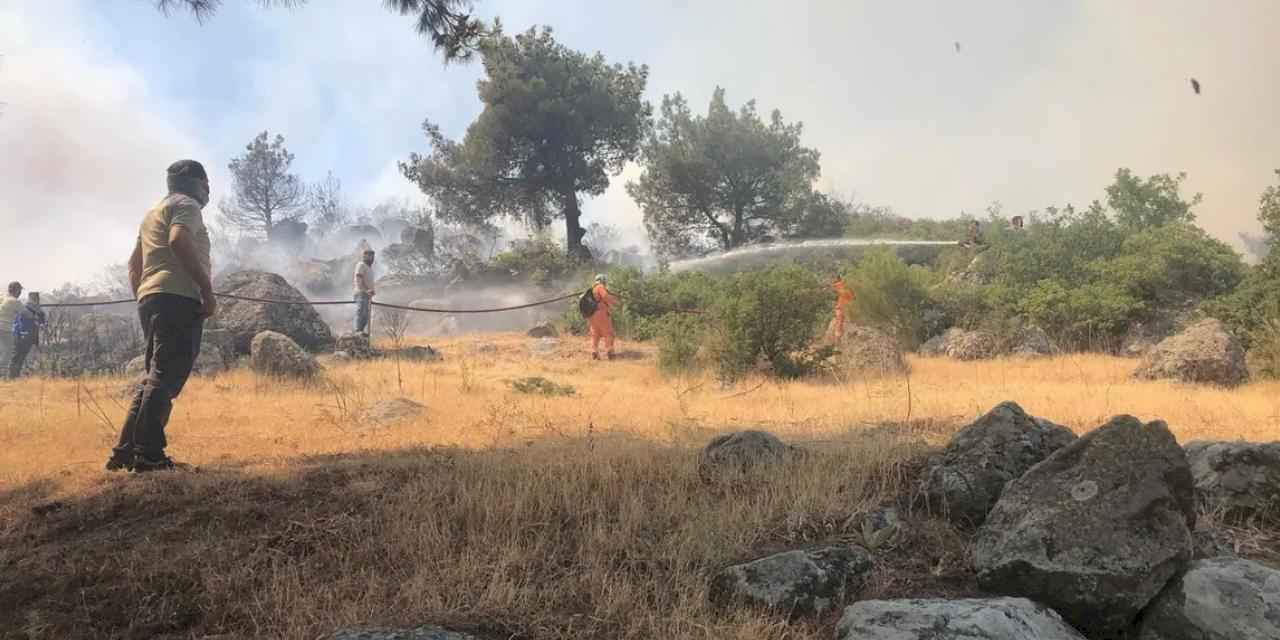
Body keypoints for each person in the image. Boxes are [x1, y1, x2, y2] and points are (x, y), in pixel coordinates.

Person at [107, 159, 215, 473]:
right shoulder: (188, 206)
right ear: (197, 183)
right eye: (206, 183)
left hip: (152, 297)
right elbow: (179, 240)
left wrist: (145, 293)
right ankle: (149, 455)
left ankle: (125, 452)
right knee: (166, 376)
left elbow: (133, 265)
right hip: (178, 299)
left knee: (154, 376)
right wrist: (206, 292)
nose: (208, 190)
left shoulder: (152, 212)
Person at [9, 291, 46, 379]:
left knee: (18, 357)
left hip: (24, 335)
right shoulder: (27, 309)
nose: (37, 300)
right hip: (25, 336)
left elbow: (42, 322)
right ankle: (13, 377)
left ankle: (13, 376)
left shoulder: (28, 308)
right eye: (36, 298)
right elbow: (41, 322)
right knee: (18, 357)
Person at [588, 273, 621, 360]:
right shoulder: (600, 287)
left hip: (592, 315)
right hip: (601, 314)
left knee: (595, 334)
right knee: (608, 333)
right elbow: (605, 296)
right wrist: (616, 302)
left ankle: (594, 351)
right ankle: (610, 352)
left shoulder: (592, 289)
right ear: (603, 280)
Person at [0, 282, 23, 379]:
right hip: (4, 328)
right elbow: (26, 313)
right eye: (20, 290)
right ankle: (1, 375)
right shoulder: (15, 301)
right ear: (17, 290)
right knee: (7, 352)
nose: (20, 292)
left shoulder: (3, 297)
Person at [353, 249, 376, 336]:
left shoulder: (369, 268)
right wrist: (365, 290)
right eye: (370, 256)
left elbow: (368, 281)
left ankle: (361, 332)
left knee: (366, 315)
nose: (372, 258)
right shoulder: (361, 265)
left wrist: (372, 291)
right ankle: (357, 332)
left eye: (373, 256)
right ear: (365, 256)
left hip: (367, 295)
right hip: (361, 293)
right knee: (361, 311)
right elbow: (358, 279)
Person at [828, 275, 855, 341]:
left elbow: (830, 287)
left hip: (843, 308)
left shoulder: (840, 285)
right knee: (839, 320)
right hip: (843, 307)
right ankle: (837, 337)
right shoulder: (843, 285)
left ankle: (837, 337)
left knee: (839, 321)